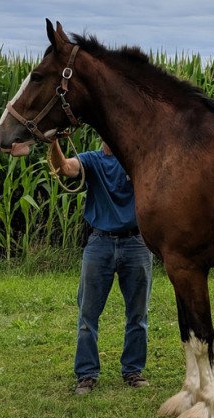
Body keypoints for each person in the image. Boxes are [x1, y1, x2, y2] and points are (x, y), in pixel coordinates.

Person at [49, 139, 153, 395]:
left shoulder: (135, 159)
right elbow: (63, 167)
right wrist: (52, 140)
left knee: (138, 315)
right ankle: (86, 374)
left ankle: (133, 370)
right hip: (99, 243)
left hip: (136, 242)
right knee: (87, 315)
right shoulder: (92, 160)